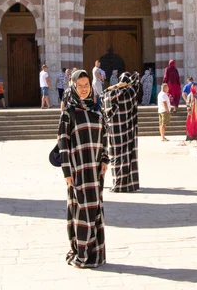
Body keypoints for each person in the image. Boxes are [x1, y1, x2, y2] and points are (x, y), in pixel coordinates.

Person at [58, 70, 109, 269]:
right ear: (73, 86)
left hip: (95, 172)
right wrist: (67, 172)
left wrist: (105, 159)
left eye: (86, 85)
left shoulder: (97, 110)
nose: (84, 89)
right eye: (80, 85)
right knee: (80, 212)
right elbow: (63, 143)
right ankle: (81, 252)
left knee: (94, 210)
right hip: (78, 171)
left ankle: (95, 253)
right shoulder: (68, 113)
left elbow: (105, 136)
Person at [102, 72, 140, 193]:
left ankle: (116, 183)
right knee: (126, 156)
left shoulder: (109, 94)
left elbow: (102, 95)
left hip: (113, 132)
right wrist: (130, 82)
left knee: (115, 157)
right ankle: (127, 183)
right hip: (127, 131)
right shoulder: (129, 94)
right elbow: (136, 84)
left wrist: (115, 87)